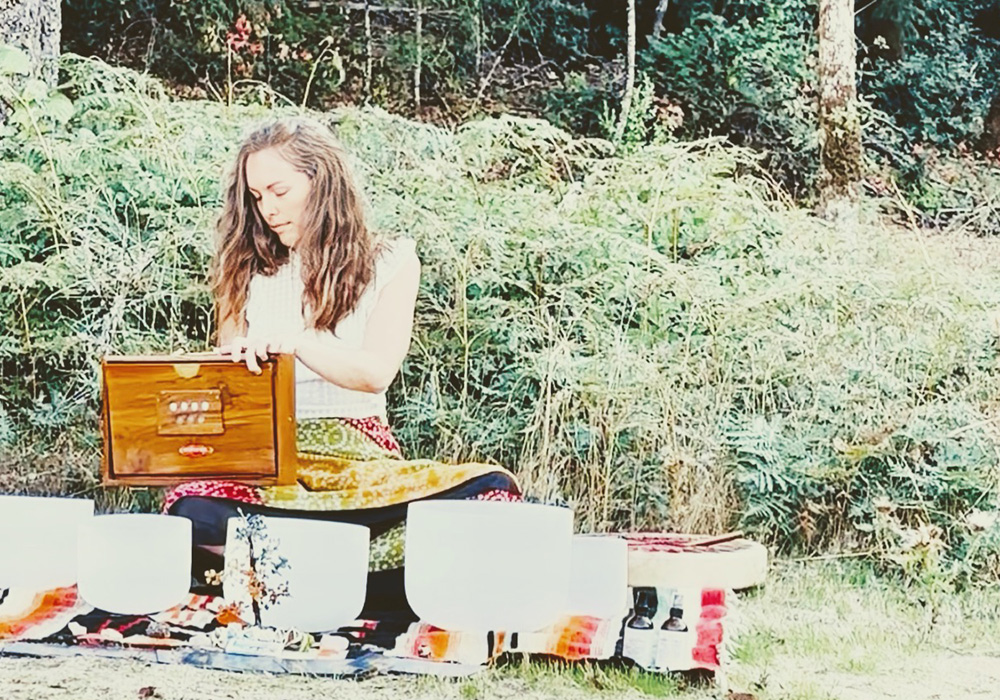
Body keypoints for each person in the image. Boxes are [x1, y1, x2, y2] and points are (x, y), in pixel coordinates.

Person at [165, 117, 520, 616]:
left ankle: (288, 580)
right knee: (191, 510)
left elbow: (375, 373)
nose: (267, 208)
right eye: (256, 195)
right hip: (272, 468)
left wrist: (297, 343)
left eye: (279, 190)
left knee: (490, 492)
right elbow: (228, 384)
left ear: (322, 180)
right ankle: (346, 583)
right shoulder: (241, 268)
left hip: (362, 465)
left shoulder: (392, 260)